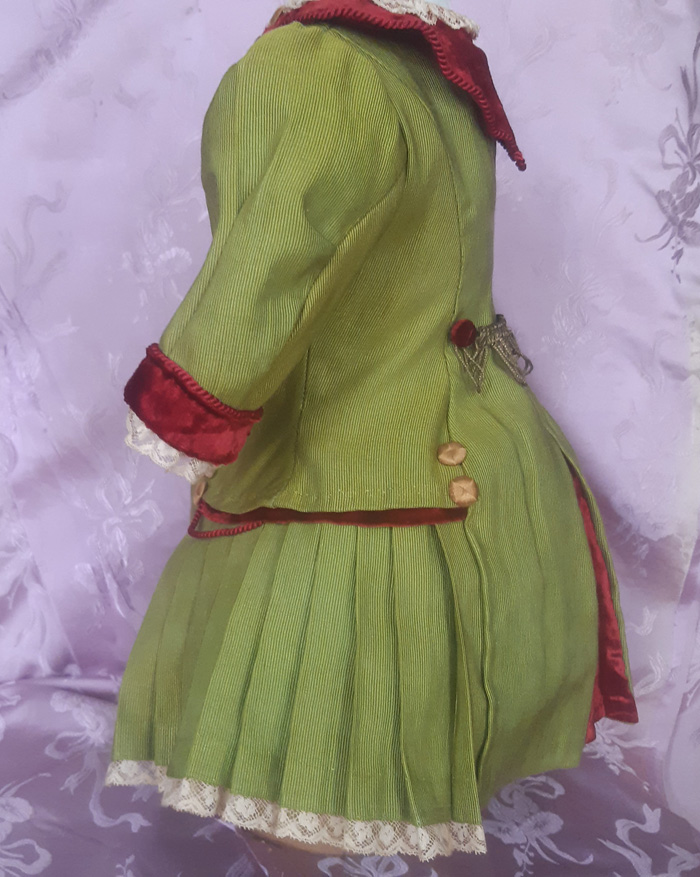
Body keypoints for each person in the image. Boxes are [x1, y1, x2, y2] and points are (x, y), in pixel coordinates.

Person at [105, 0, 639, 861]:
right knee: (438, 752)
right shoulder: (427, 63)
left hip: (357, 483)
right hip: (493, 467)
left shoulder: (319, 65)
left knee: (286, 779)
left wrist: (189, 414)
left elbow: (273, 266)